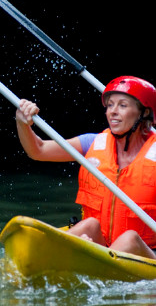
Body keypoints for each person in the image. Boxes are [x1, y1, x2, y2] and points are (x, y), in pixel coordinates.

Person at [16, 75, 156, 259]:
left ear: (144, 113)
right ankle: (35, 254)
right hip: (102, 245)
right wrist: (22, 122)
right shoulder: (92, 143)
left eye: (122, 105)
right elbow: (38, 150)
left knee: (130, 238)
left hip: (147, 254)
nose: (113, 111)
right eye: (110, 105)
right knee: (90, 225)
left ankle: (85, 257)